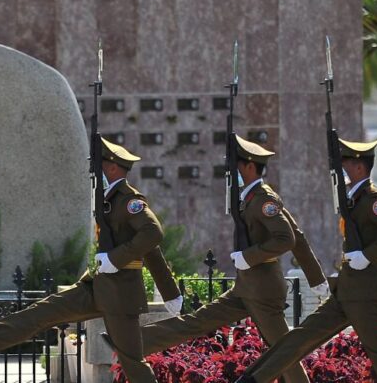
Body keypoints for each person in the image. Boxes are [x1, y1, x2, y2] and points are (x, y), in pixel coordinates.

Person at [0, 137, 181, 383]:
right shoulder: (107, 199)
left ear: (114, 167)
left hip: (121, 295)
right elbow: (146, 244)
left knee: (132, 363)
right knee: (41, 313)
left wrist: (163, 288)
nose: (93, 171)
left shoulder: (130, 201)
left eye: (98, 165)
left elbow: (152, 236)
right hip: (97, 287)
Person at [103, 136, 326, 383]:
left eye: (235, 166)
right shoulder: (249, 197)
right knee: (198, 321)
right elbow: (299, 237)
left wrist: (249, 257)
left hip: (263, 290)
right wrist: (316, 277)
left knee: (282, 352)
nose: (230, 172)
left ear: (250, 167)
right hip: (246, 288)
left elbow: (288, 238)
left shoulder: (264, 199)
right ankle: (132, 343)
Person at [235, 139, 377, 383]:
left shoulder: (372, 201)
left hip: (367, 295)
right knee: (299, 338)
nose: (342, 169)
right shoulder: (353, 199)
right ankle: (252, 379)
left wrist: (368, 255)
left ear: (360, 168)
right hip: (346, 290)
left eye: (347, 164)